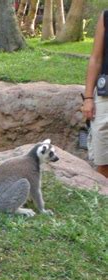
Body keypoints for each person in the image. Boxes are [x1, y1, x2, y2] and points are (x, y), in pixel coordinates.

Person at [82, 10, 108, 178]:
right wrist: (88, 98)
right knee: (103, 158)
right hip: (105, 94)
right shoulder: (106, 17)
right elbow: (96, 59)